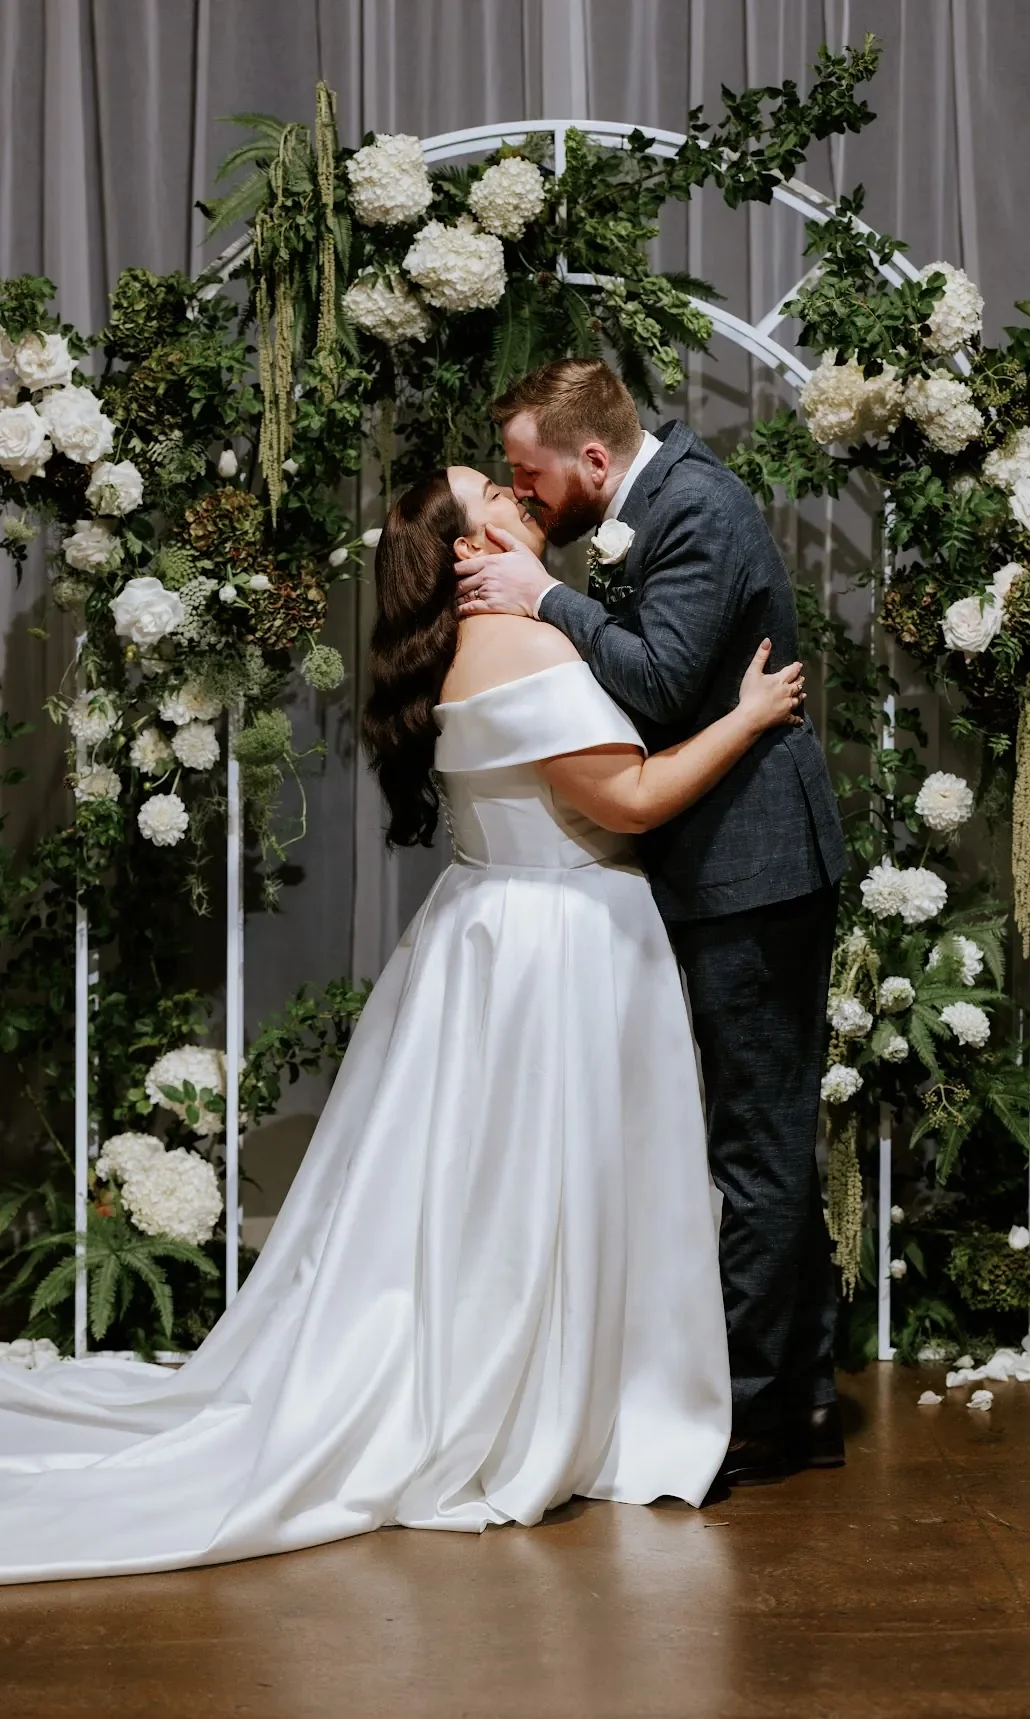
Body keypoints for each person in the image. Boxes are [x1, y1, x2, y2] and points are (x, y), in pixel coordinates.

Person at [0, 465, 806, 1584]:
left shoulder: (482, 643)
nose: (527, 505)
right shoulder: (518, 646)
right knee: (538, 1186)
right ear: (471, 551)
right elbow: (625, 802)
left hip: (506, 936)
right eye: (502, 500)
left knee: (499, 1194)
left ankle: (543, 1373)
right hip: (558, 948)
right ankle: (545, 1394)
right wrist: (750, 716)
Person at [456, 358, 849, 1484]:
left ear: (592, 459)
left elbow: (665, 682)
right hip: (715, 866)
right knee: (752, 1138)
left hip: (756, 871)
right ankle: (796, 1394)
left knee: (758, 1146)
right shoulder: (646, 505)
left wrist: (545, 600)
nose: (524, 496)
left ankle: (763, 1419)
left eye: (530, 475)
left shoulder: (697, 509)